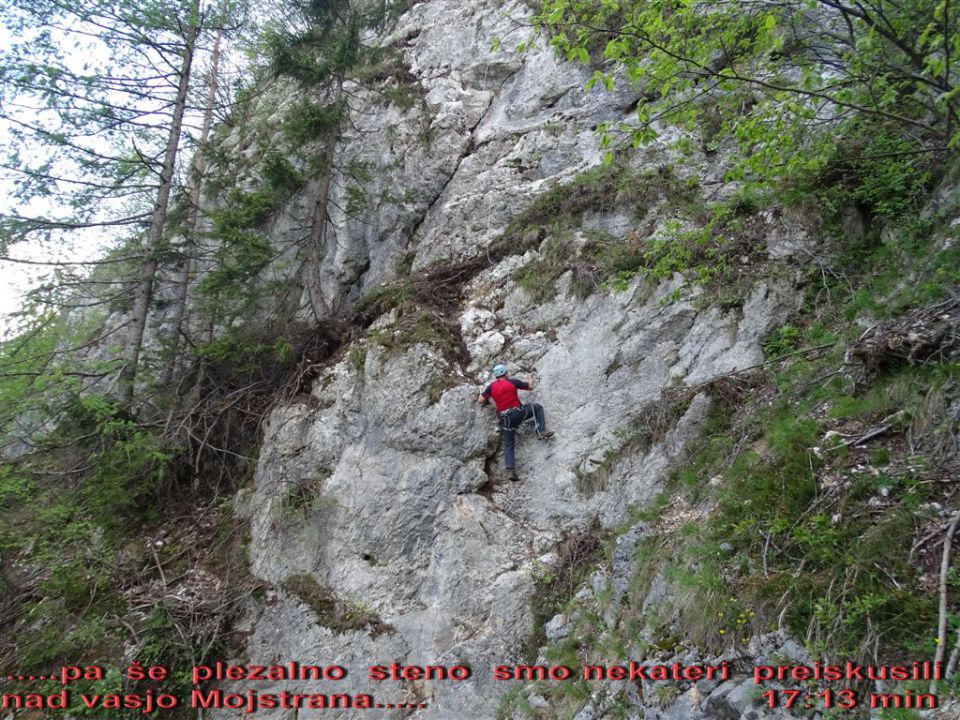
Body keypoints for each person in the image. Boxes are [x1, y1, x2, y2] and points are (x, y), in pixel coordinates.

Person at [478, 364, 554, 481]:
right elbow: (530, 387)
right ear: (506, 373)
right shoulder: (512, 382)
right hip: (519, 413)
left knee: (509, 444)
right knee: (537, 408)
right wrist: (529, 378)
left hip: (506, 419)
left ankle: (510, 470)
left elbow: (480, 400)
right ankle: (540, 431)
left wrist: (484, 392)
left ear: (496, 376)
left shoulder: (491, 387)